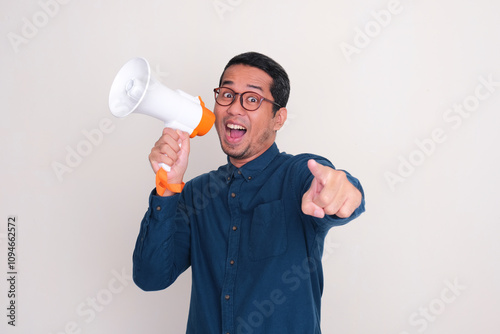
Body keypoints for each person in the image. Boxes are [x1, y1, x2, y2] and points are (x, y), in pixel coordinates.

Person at [133, 51, 365, 334]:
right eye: (227, 94)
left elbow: (336, 187)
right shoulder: (195, 192)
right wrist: (167, 188)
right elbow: (150, 277)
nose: (234, 108)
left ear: (278, 118)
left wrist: (342, 190)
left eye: (252, 99)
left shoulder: (297, 175)